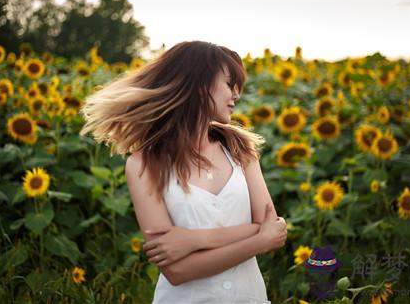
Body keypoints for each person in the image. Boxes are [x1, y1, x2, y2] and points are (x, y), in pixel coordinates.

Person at [80, 40, 288, 304]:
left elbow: (272, 229)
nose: (236, 94)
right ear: (199, 85)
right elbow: (177, 271)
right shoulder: (144, 163)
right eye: (229, 83)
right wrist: (258, 241)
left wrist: (191, 240)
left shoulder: (240, 149)